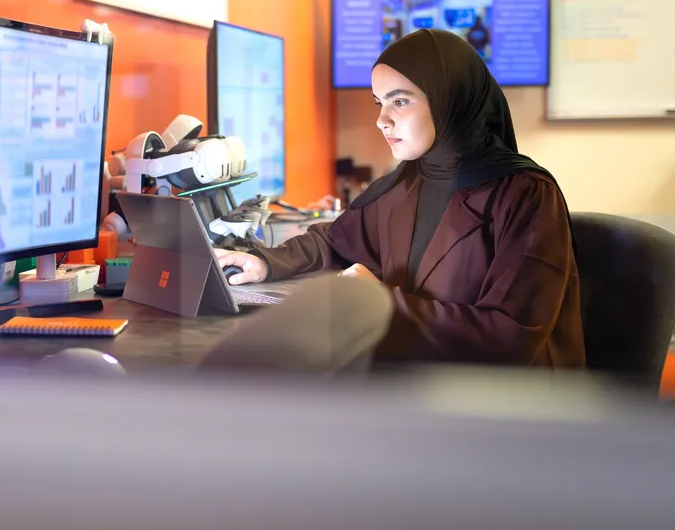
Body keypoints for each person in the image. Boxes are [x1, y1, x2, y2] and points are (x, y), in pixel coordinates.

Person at [216, 29, 585, 368]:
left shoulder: (527, 195)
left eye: (400, 101)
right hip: (418, 380)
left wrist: (381, 301)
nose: (382, 120)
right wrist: (266, 262)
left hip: (503, 410)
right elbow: (339, 239)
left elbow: (509, 338)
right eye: (379, 103)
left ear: (447, 100)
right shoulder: (410, 182)